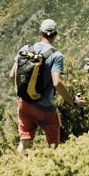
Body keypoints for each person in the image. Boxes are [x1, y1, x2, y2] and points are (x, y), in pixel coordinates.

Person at [9, 18, 80, 152]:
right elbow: (57, 82)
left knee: (24, 144)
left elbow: (12, 76)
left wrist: (24, 94)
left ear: (39, 33)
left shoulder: (25, 49)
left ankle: (18, 169)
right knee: (53, 146)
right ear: (56, 35)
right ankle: (50, 169)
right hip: (46, 108)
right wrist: (73, 102)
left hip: (24, 104)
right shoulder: (56, 56)